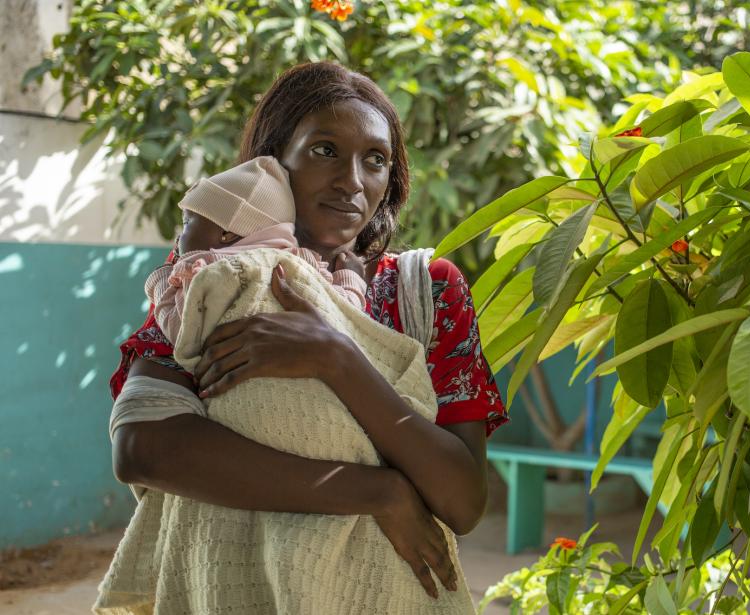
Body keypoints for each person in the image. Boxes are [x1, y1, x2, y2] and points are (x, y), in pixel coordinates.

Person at [100, 62, 508, 613]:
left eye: (376, 160)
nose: (352, 181)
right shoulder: (221, 274)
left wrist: (334, 356)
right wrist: (378, 492)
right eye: (324, 151)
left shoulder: (425, 292)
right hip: (236, 589)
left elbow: (462, 500)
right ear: (273, 161)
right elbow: (144, 447)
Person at [144, 154, 368, 348]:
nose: (179, 238)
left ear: (227, 234)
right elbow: (343, 320)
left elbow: (181, 331)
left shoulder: (206, 275)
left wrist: (161, 281)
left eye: (187, 224)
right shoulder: (299, 266)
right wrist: (351, 279)